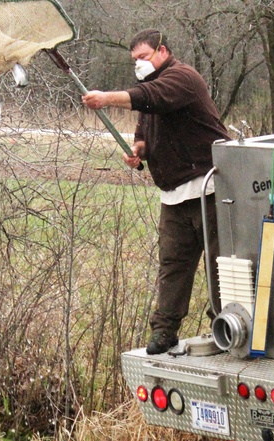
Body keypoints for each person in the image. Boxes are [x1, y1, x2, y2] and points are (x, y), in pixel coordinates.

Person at [83, 29, 229, 355]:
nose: (138, 65)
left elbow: (153, 97)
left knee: (221, 264)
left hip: (210, 188)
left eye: (143, 57)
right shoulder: (150, 90)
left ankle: (227, 326)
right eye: (134, 60)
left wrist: (106, 98)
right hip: (174, 195)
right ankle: (164, 332)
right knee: (172, 265)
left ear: (162, 51)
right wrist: (138, 150)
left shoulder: (181, 78)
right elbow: (144, 136)